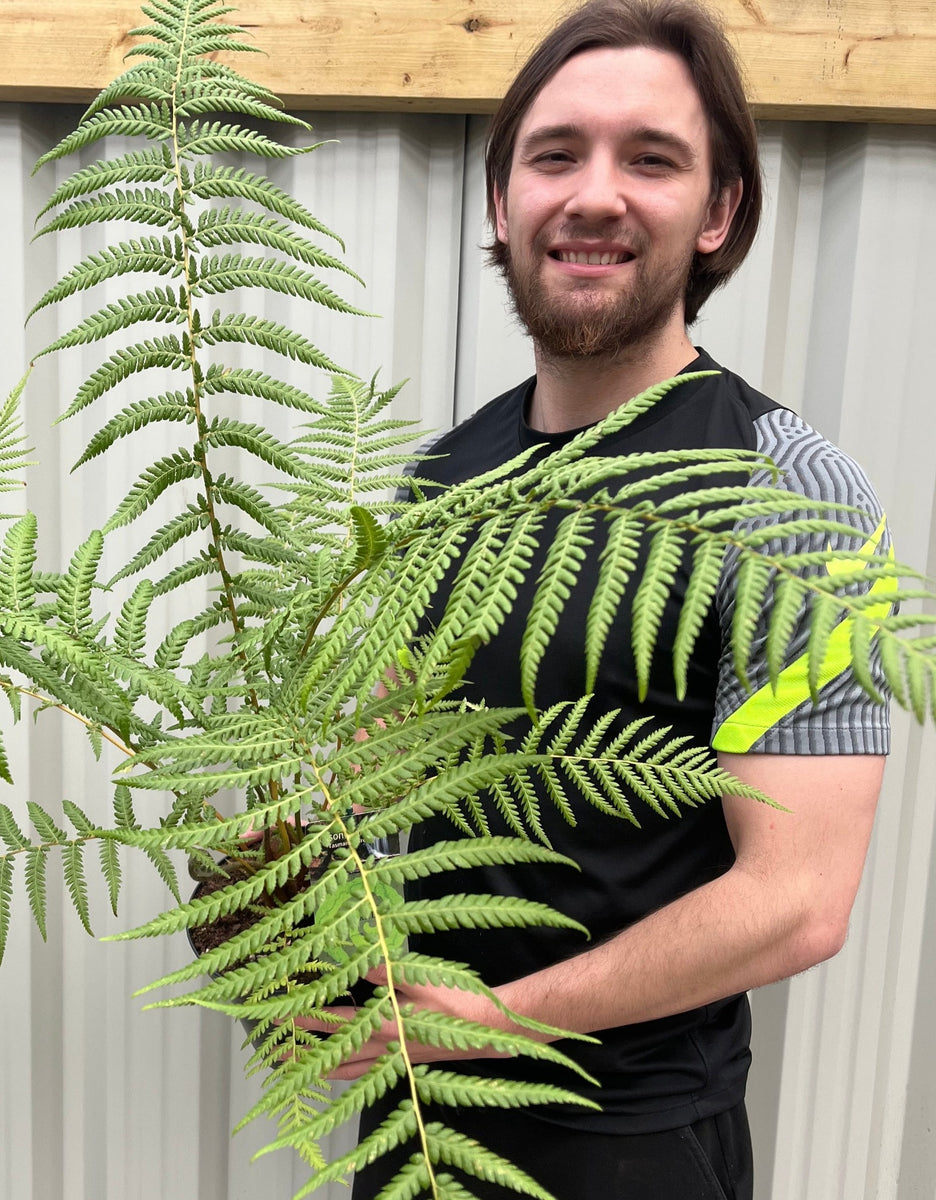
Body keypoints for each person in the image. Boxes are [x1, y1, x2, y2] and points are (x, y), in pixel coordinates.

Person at [343, 2, 891, 1197]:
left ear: (720, 211)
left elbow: (797, 901)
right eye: (555, 155)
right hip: (419, 1127)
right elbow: (375, 770)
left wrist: (487, 1024)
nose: (595, 195)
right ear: (503, 204)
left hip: (627, 1144)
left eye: (651, 158)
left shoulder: (785, 491)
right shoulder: (439, 478)